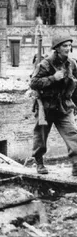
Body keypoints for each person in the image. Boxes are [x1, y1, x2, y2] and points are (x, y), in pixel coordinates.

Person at [30, 35, 77, 176]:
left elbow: (74, 86)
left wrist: (75, 105)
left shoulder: (72, 64)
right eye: (64, 46)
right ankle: (39, 162)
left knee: (73, 136)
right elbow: (33, 83)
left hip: (64, 107)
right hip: (46, 107)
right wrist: (52, 78)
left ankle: (76, 165)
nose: (68, 48)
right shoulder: (45, 64)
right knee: (41, 136)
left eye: (69, 45)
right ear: (57, 48)